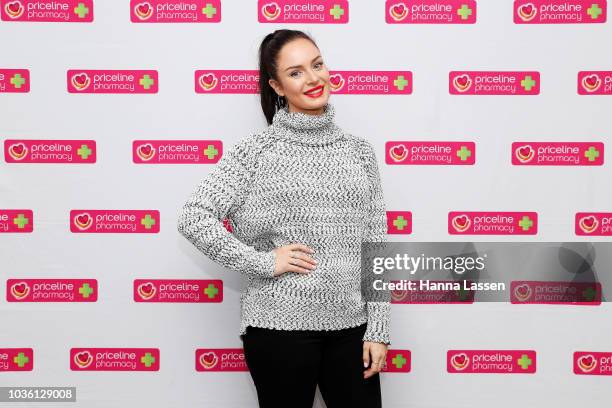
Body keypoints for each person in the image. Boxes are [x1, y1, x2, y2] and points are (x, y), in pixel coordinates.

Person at [177, 29, 390, 408]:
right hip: (279, 329)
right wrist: (263, 262)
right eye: (296, 72)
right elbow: (194, 217)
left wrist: (379, 327)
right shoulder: (255, 152)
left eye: (317, 65)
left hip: (352, 331)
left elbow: (376, 244)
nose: (313, 79)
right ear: (276, 85)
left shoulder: (360, 152)